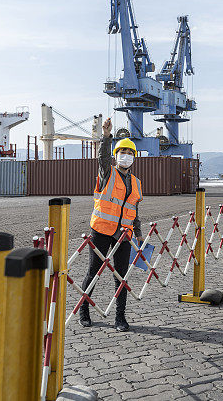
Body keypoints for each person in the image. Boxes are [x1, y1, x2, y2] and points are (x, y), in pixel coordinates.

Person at [78, 118, 143, 332]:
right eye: (122, 152)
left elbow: (134, 211)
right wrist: (106, 137)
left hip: (123, 235)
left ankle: (120, 317)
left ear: (134, 157)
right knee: (93, 272)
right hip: (101, 231)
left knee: (121, 276)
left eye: (129, 153)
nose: (126, 156)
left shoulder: (136, 182)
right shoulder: (108, 173)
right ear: (116, 156)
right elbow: (103, 157)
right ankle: (84, 311)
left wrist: (139, 234)